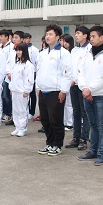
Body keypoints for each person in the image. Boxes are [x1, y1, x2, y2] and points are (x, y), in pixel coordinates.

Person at [77, 26, 103, 166]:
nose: (91, 39)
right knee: (92, 125)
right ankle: (92, 151)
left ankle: (100, 154)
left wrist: (90, 89)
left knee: (101, 126)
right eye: (90, 36)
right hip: (87, 94)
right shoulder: (88, 53)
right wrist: (84, 88)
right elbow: (80, 72)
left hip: (100, 95)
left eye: (94, 36)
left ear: (102, 37)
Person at [36, 24, 72, 157]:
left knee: (55, 120)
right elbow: (39, 71)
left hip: (56, 91)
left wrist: (63, 90)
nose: (48, 37)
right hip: (43, 91)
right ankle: (49, 143)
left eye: (50, 34)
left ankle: (57, 145)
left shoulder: (63, 53)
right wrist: (38, 87)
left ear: (57, 37)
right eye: (46, 34)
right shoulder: (42, 53)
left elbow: (67, 73)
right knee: (45, 120)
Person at [65, 26, 91, 151]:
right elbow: (71, 67)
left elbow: (86, 68)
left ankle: (83, 139)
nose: (76, 35)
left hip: (83, 85)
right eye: (75, 33)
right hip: (73, 85)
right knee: (76, 112)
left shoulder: (89, 49)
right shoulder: (74, 50)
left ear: (85, 35)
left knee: (84, 112)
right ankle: (75, 137)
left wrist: (77, 80)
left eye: (79, 33)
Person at [8, 43, 34, 137]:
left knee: (22, 110)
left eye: (20, 50)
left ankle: (22, 128)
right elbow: (13, 78)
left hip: (22, 91)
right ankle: (17, 127)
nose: (18, 52)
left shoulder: (28, 65)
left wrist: (27, 91)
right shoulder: (16, 64)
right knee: (15, 110)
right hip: (15, 90)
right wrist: (11, 88)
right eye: (17, 50)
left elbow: (29, 79)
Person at [0, 29, 14, 124]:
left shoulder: (11, 47)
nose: (0, 38)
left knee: (6, 96)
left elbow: (10, 61)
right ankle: (4, 113)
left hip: (7, 75)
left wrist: (8, 72)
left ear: (7, 37)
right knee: (1, 96)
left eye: (2, 36)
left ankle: (9, 114)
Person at [60, 34, 75, 130]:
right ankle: (65, 121)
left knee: (69, 103)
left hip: (70, 80)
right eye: (62, 41)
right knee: (63, 103)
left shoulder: (72, 53)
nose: (64, 43)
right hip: (63, 80)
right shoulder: (61, 53)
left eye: (66, 41)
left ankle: (69, 123)